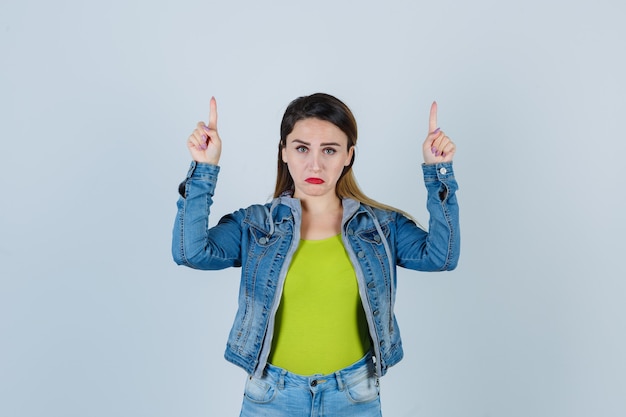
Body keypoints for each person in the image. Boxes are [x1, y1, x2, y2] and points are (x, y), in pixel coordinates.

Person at [172, 93, 459, 416]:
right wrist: (203, 168)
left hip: (353, 397)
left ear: (349, 155)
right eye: (301, 148)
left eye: (330, 150)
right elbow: (190, 252)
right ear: (284, 152)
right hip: (271, 397)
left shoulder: (379, 227)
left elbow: (441, 256)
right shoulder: (255, 225)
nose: (315, 164)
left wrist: (439, 174)